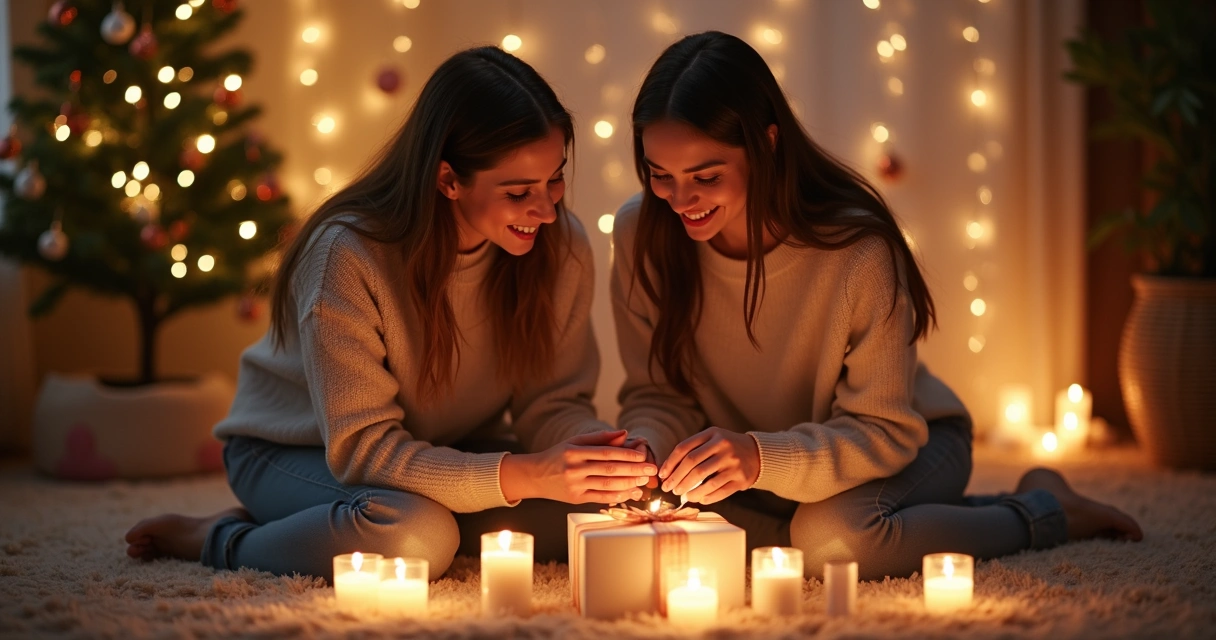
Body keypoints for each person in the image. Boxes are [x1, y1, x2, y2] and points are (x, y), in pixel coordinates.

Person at [612, 31, 1142, 580]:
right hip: (769, 470)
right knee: (646, 520)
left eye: (706, 176)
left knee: (828, 542)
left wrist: (757, 456)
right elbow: (658, 392)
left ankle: (1045, 512)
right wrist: (647, 453)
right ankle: (936, 518)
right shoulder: (640, 233)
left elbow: (885, 430)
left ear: (767, 143)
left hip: (906, 440)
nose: (680, 200)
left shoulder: (856, 251)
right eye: (659, 176)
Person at [125, 46, 655, 581]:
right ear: (448, 179)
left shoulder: (560, 245)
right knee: (417, 535)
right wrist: (523, 473)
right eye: (518, 191)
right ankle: (222, 538)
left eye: (555, 180)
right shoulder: (346, 255)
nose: (545, 209)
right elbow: (363, 450)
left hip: (439, 447)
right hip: (296, 450)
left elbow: (552, 401)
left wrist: (603, 456)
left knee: (595, 515)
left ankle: (319, 526)